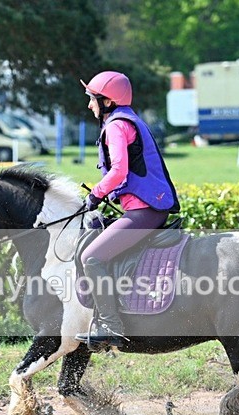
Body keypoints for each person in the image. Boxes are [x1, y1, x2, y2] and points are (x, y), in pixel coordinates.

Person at [75, 71, 180, 349]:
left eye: (92, 99)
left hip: (145, 212)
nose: (89, 105)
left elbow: (119, 171)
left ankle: (111, 325)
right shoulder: (128, 119)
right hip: (146, 208)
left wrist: (96, 194)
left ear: (107, 102)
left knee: (91, 258)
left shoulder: (116, 126)